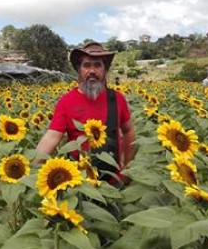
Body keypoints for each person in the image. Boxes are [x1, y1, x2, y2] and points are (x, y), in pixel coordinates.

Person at [36, 41, 136, 184]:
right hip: (79, 183)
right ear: (79, 70)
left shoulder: (117, 99)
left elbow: (129, 131)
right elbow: (52, 136)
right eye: (87, 65)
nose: (92, 71)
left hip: (112, 181)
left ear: (104, 70)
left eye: (97, 65)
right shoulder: (67, 102)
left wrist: (127, 167)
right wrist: (31, 166)